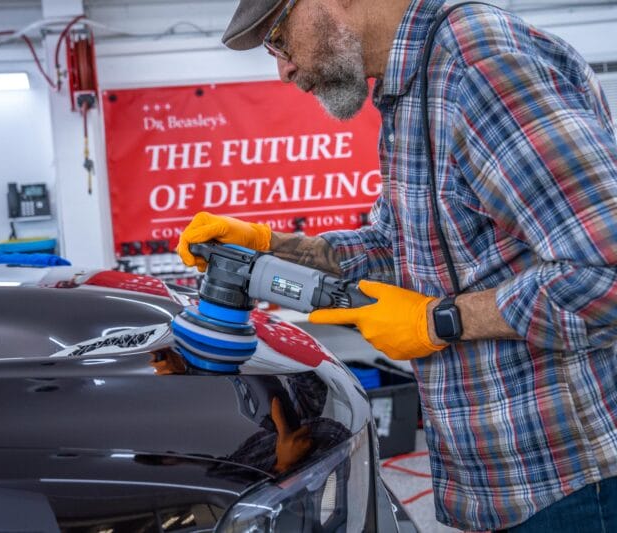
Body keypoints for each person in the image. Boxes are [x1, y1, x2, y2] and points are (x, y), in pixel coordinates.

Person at [176, 0, 617, 531]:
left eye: (278, 37)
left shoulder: (480, 71)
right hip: (505, 486)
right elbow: (392, 245)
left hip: (572, 485)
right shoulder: (413, 88)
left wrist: (439, 321)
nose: (283, 68)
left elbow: (605, 272)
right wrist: (269, 246)